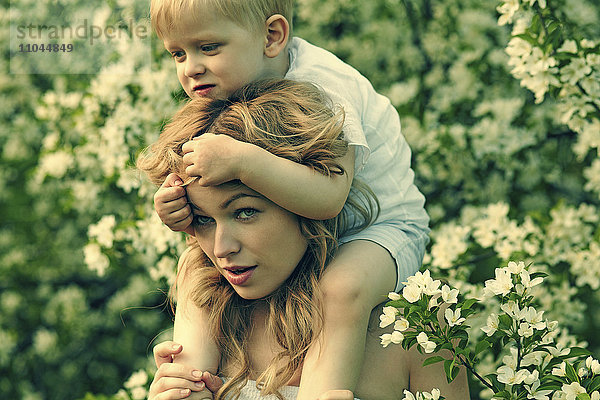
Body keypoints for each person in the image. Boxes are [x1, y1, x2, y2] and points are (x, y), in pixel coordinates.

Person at [150, 1, 430, 398]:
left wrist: (243, 161)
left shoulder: (326, 87)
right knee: (193, 266)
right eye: (178, 53)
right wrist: (175, 203)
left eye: (208, 47)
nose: (190, 67)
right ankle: (191, 381)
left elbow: (329, 198)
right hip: (303, 233)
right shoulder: (232, 86)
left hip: (379, 229)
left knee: (339, 289)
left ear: (272, 36)